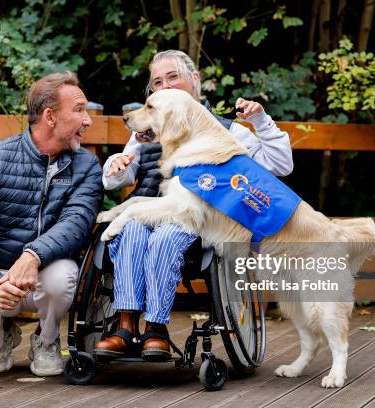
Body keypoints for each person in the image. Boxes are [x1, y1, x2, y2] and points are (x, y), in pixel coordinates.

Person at [94, 50, 293, 360]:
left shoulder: (227, 130)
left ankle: (156, 327)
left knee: (164, 237)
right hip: (147, 209)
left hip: (193, 220)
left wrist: (261, 122)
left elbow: (280, 165)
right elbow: (115, 180)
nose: (166, 86)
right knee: (131, 230)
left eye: (173, 77)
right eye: (157, 82)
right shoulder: (147, 126)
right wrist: (115, 164)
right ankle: (125, 325)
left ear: (195, 80)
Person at [0, 72, 103, 376]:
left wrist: (33, 256)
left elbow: (77, 223)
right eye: (80, 110)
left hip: (46, 273)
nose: (88, 121)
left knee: (62, 276)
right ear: (50, 116)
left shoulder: (86, 166)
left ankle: (46, 341)